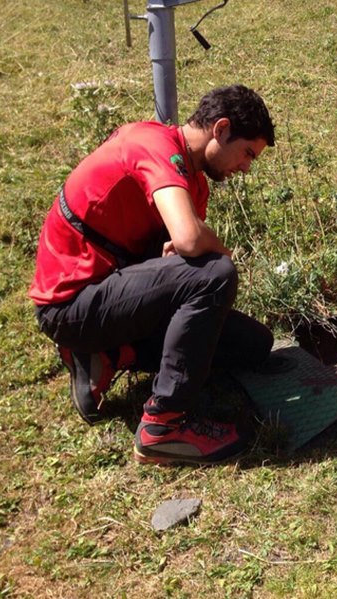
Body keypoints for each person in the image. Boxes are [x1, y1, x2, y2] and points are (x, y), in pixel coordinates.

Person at [29, 84, 276, 465]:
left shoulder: (194, 185)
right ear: (221, 129)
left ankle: (112, 352)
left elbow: (178, 259)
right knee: (216, 273)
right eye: (247, 154)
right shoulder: (155, 145)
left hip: (113, 291)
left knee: (254, 344)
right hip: (70, 304)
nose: (245, 167)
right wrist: (215, 248)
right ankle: (164, 426)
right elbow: (192, 241)